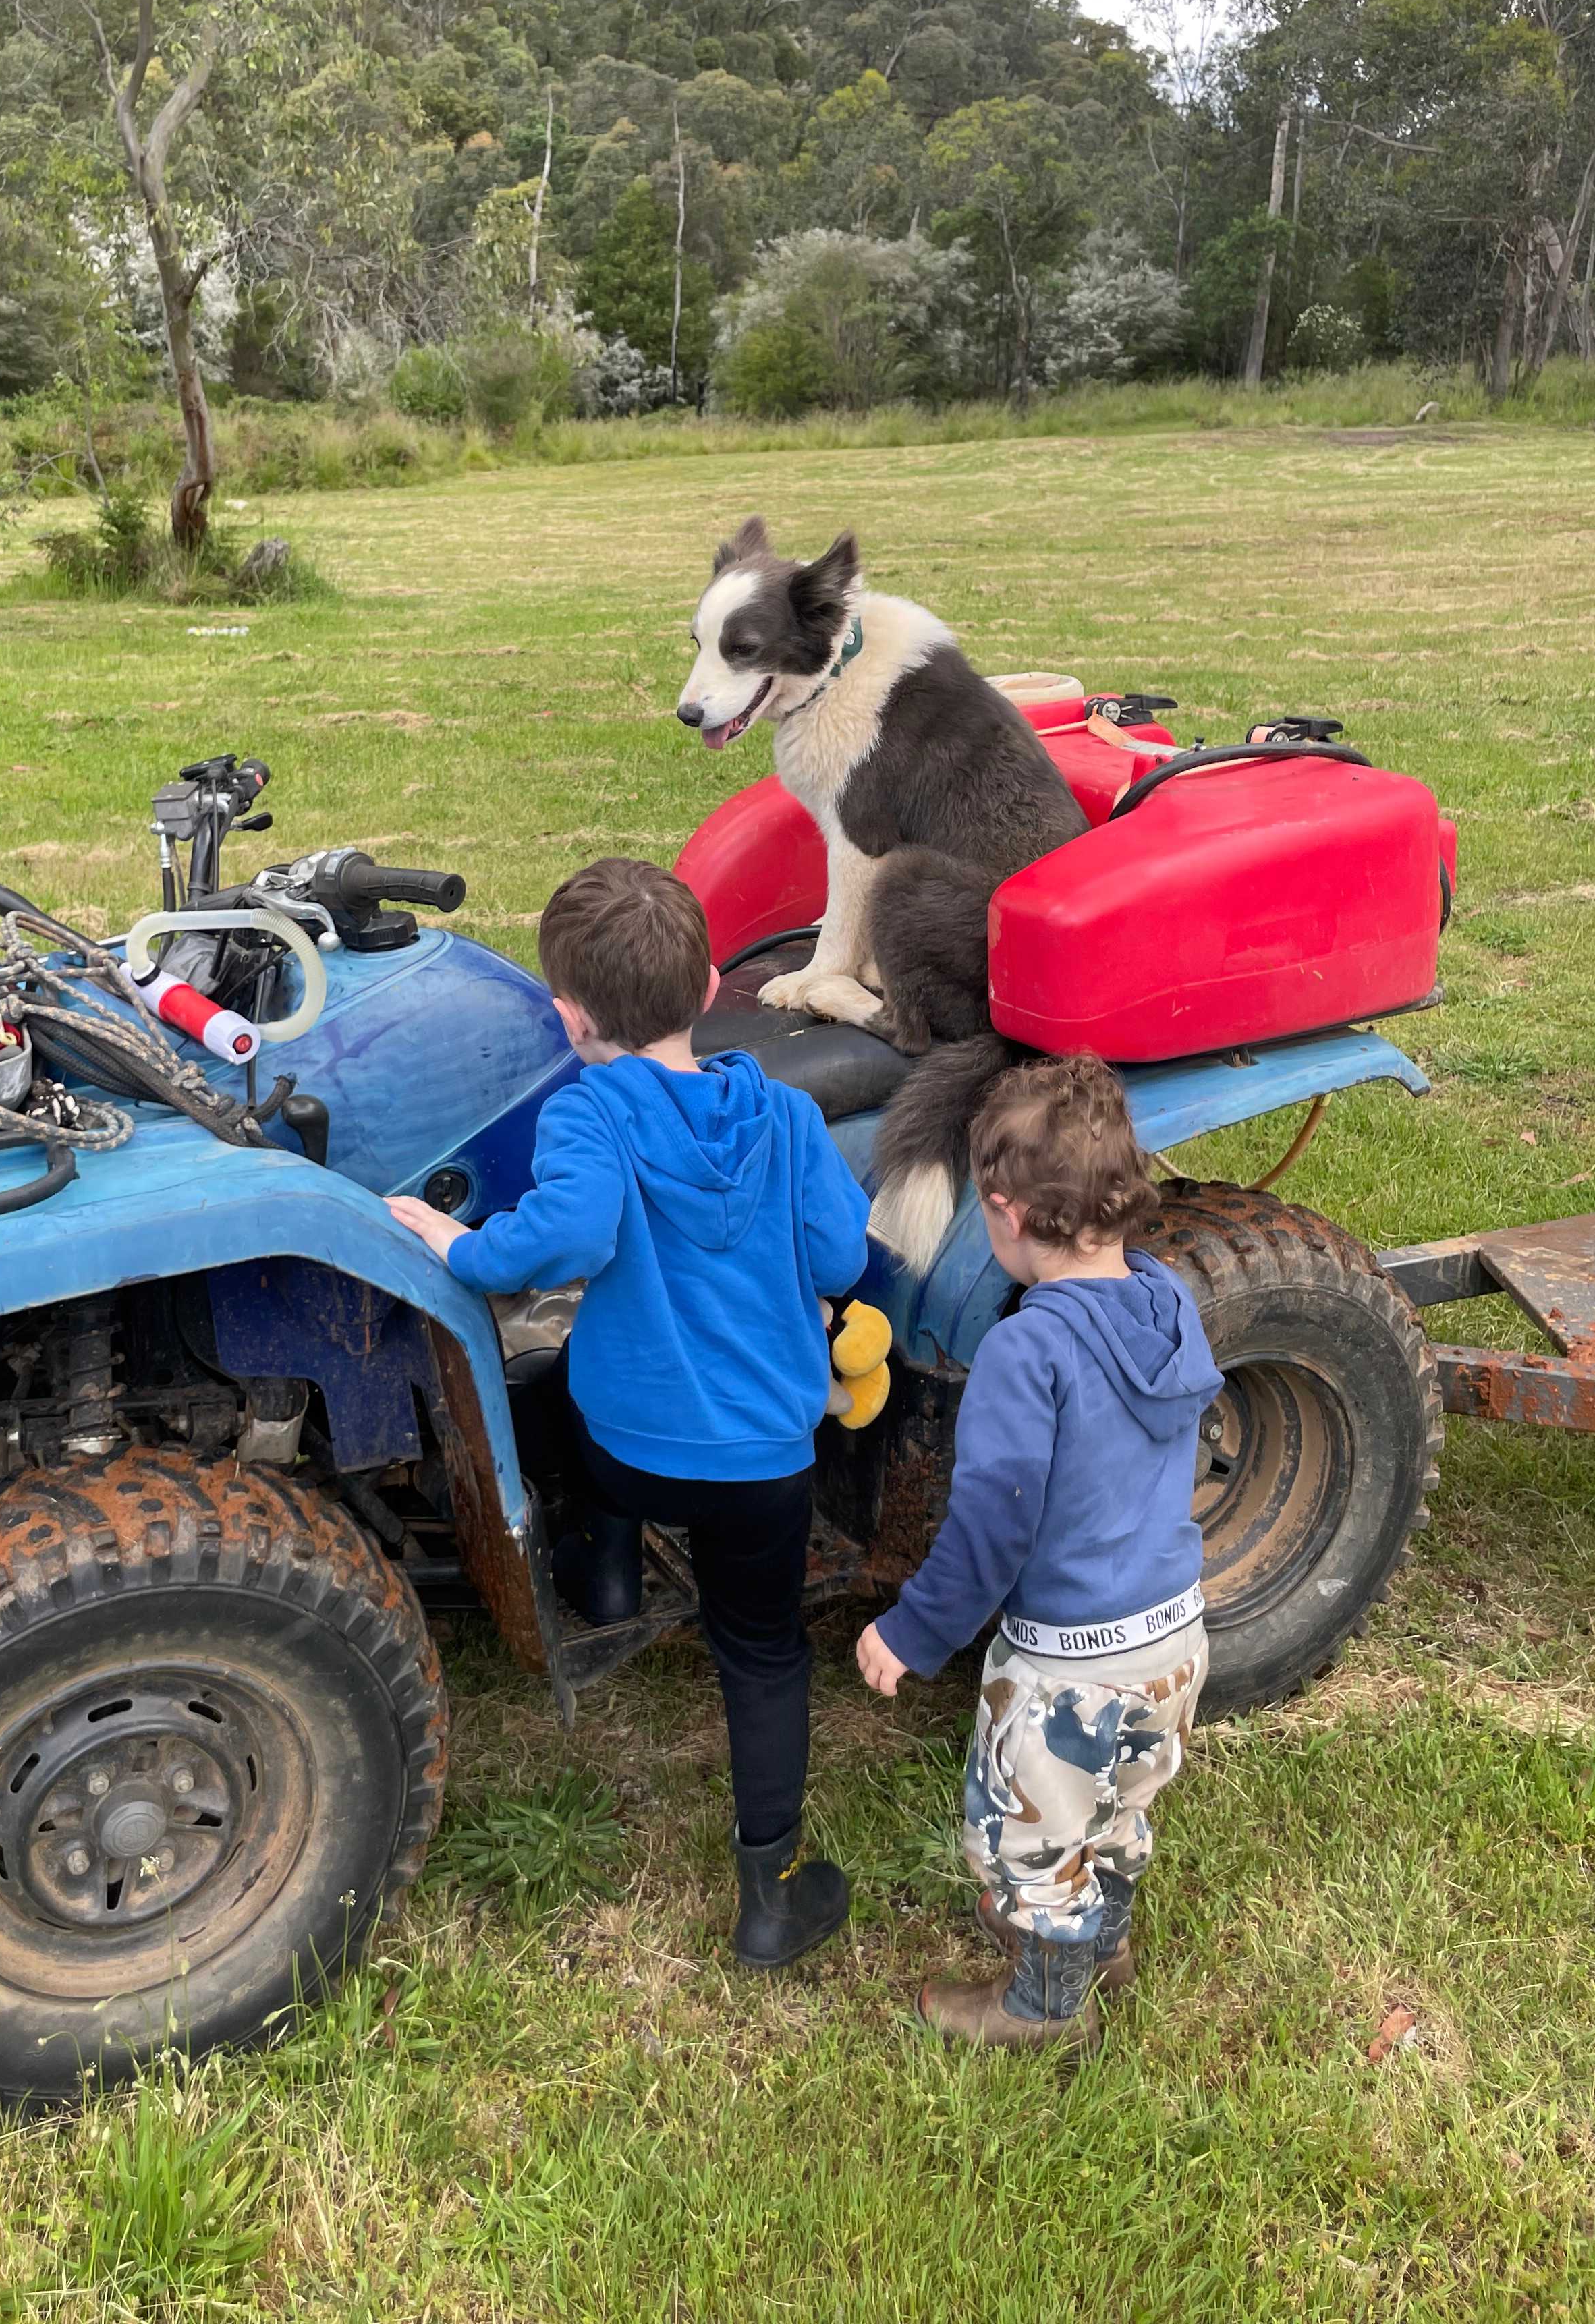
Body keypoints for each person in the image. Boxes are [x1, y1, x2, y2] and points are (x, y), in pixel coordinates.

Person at [387, 856, 872, 1968]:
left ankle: (604, 1569)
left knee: (554, 1392)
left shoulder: (588, 1112)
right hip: (763, 1466)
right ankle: (773, 1892)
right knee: (762, 1654)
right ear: (712, 985)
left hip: (634, 1457)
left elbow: (564, 1241)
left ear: (568, 1016)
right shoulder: (790, 1118)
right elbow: (843, 1254)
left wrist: (455, 1240)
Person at [854, 1054, 1221, 2053]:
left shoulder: (1027, 1349)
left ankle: (1044, 2008)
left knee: (1033, 1826)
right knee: (1118, 1802)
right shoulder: (1167, 1301)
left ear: (1007, 1213)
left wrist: (914, 1629)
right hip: (1175, 1635)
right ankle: (1103, 1941)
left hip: (1075, 1657)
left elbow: (994, 1522)